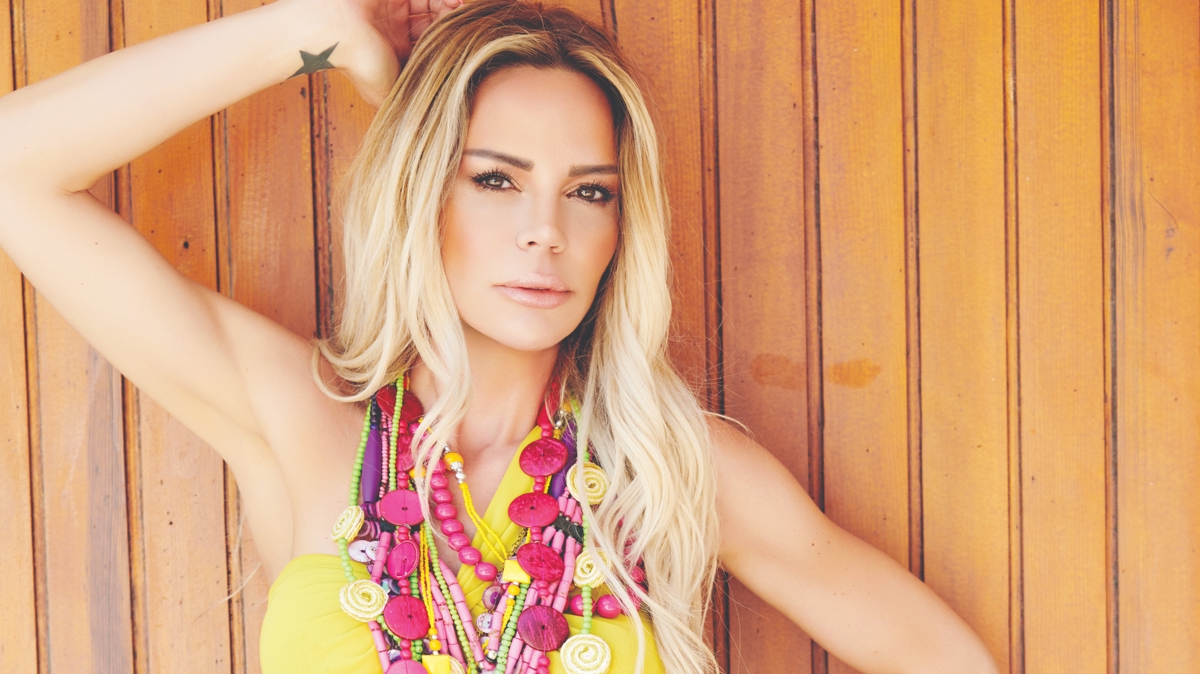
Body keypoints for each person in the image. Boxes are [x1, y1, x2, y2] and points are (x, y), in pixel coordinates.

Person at [0, 0, 1000, 672]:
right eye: (495, 178)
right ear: (421, 193)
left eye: (589, 192)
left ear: (621, 231)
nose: (543, 230)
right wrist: (313, 29)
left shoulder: (671, 467)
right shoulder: (306, 421)